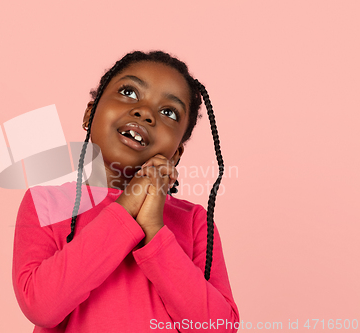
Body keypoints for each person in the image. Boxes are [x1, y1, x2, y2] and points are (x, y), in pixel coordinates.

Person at [12, 51, 239, 332]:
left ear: (176, 153)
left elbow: (217, 327)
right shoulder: (46, 203)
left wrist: (154, 231)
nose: (145, 112)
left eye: (168, 112)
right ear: (90, 113)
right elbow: (41, 306)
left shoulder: (195, 223)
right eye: (129, 92)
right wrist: (126, 207)